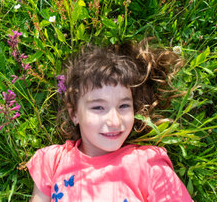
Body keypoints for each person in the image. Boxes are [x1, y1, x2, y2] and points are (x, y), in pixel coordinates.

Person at [27, 41, 193, 201]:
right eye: (98, 108)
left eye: (123, 106)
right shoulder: (52, 161)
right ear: (74, 114)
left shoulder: (149, 165)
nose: (115, 121)